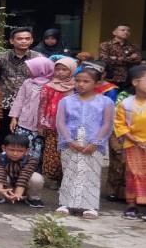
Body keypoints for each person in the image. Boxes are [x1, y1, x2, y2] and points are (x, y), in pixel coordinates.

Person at [54, 68, 114, 219]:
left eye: (86, 81)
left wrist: (96, 143)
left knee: (91, 173)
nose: (81, 84)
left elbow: (107, 124)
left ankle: (90, 206)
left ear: (97, 83)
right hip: (70, 143)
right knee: (69, 171)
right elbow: (60, 122)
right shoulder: (66, 101)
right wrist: (69, 141)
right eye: (78, 81)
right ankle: (66, 204)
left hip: (94, 144)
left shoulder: (105, 102)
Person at [0, 27, 42, 154]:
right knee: (3, 136)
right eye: (20, 39)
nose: (24, 41)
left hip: (29, 105)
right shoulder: (0, 58)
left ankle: (24, 162)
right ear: (12, 41)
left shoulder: (38, 58)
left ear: (31, 40)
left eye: (27, 39)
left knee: (26, 138)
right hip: (5, 103)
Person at [115, 68, 146, 221]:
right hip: (133, 145)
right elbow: (120, 124)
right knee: (132, 174)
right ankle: (131, 206)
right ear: (135, 82)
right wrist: (134, 140)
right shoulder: (126, 103)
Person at [107, 66, 146, 201]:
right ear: (135, 81)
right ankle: (119, 195)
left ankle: (144, 198)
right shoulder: (124, 98)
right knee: (123, 166)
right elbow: (118, 121)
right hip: (124, 137)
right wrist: (133, 138)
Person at [38, 57, 77, 189]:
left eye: (64, 69)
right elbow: (42, 106)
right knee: (53, 153)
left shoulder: (78, 86)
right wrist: (41, 124)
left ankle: (68, 180)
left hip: (71, 126)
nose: (60, 72)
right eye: (58, 69)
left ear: (72, 70)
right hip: (52, 126)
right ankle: (57, 179)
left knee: (69, 152)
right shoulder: (48, 87)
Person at [8, 56, 55, 169]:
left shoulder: (52, 85)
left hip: (42, 126)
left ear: (41, 69)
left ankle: (34, 171)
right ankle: (18, 170)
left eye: (30, 68)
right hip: (24, 123)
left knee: (38, 149)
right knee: (21, 147)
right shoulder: (27, 83)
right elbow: (19, 100)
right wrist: (14, 117)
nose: (28, 70)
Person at [0, 134, 45, 208]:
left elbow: (24, 176)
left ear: (27, 150)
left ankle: (33, 198)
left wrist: (18, 193)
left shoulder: (31, 160)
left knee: (37, 178)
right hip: (6, 187)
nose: (15, 154)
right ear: (4, 148)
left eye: (20, 151)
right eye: (11, 150)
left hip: (24, 189)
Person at [98, 24, 142, 90]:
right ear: (114, 32)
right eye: (123, 30)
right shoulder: (106, 45)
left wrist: (114, 58)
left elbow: (137, 59)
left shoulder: (134, 46)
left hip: (128, 78)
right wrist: (129, 58)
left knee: (125, 95)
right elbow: (104, 59)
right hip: (110, 77)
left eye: (128, 30)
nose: (126, 32)